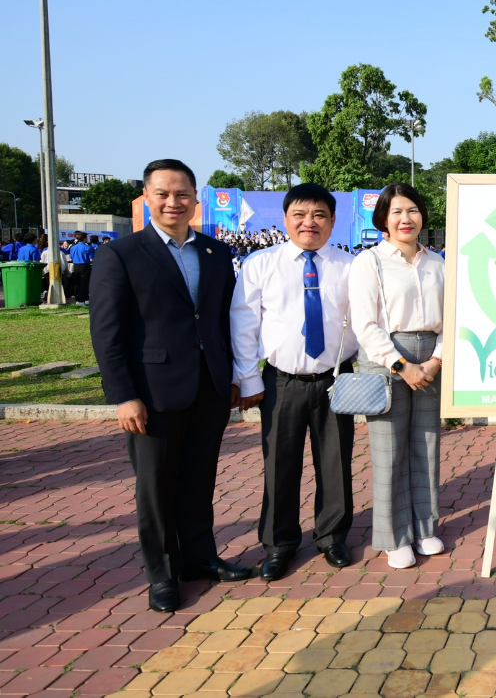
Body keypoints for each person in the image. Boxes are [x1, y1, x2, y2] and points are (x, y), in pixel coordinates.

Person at [90, 159, 252, 612]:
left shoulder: (216, 253)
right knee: (155, 486)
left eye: (182, 194)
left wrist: (235, 376)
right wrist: (124, 395)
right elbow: (107, 333)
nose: (173, 202)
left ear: (196, 200)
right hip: (152, 393)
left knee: (200, 479)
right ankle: (162, 574)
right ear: (147, 198)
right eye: (162, 193)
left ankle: (200, 559)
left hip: (210, 388)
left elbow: (222, 320)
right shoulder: (120, 254)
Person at [231, 183, 359, 581]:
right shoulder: (260, 264)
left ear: (333, 221)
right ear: (285, 219)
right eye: (300, 215)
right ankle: (278, 543)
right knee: (279, 463)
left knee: (336, 462)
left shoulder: (350, 266)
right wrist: (248, 378)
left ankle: (332, 535)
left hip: (336, 380)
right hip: (280, 381)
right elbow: (244, 323)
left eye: (319, 215)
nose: (310, 223)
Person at [349, 183, 445, 569]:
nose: (406, 219)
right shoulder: (369, 261)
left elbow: (452, 321)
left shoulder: (438, 262)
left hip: (431, 359)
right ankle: (393, 537)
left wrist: (435, 362)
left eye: (413, 211)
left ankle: (424, 528)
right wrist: (402, 366)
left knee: (426, 444)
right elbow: (365, 324)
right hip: (386, 357)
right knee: (389, 450)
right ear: (383, 220)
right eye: (397, 212)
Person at [68, 231, 95, 304]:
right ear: (84, 238)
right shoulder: (88, 248)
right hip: (85, 266)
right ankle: (81, 299)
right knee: (84, 283)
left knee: (77, 283)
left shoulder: (73, 247)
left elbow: (71, 258)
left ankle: (79, 298)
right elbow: (91, 259)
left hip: (75, 266)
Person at [38, 235, 66, 302]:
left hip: (47, 271)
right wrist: (64, 271)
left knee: (47, 283)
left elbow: (42, 262)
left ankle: (46, 293)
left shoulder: (44, 252)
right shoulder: (61, 252)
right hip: (58, 272)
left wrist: (43, 271)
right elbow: (64, 264)